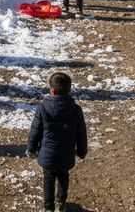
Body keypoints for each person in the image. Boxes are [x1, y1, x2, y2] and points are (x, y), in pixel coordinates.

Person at [27, 72, 88, 212]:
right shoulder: (76, 109)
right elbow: (81, 134)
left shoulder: (42, 108)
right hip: (66, 154)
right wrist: (82, 151)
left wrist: (31, 149)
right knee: (63, 176)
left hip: (48, 154)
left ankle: (48, 207)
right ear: (69, 89)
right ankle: (61, 203)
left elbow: (35, 131)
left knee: (48, 179)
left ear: (52, 90)